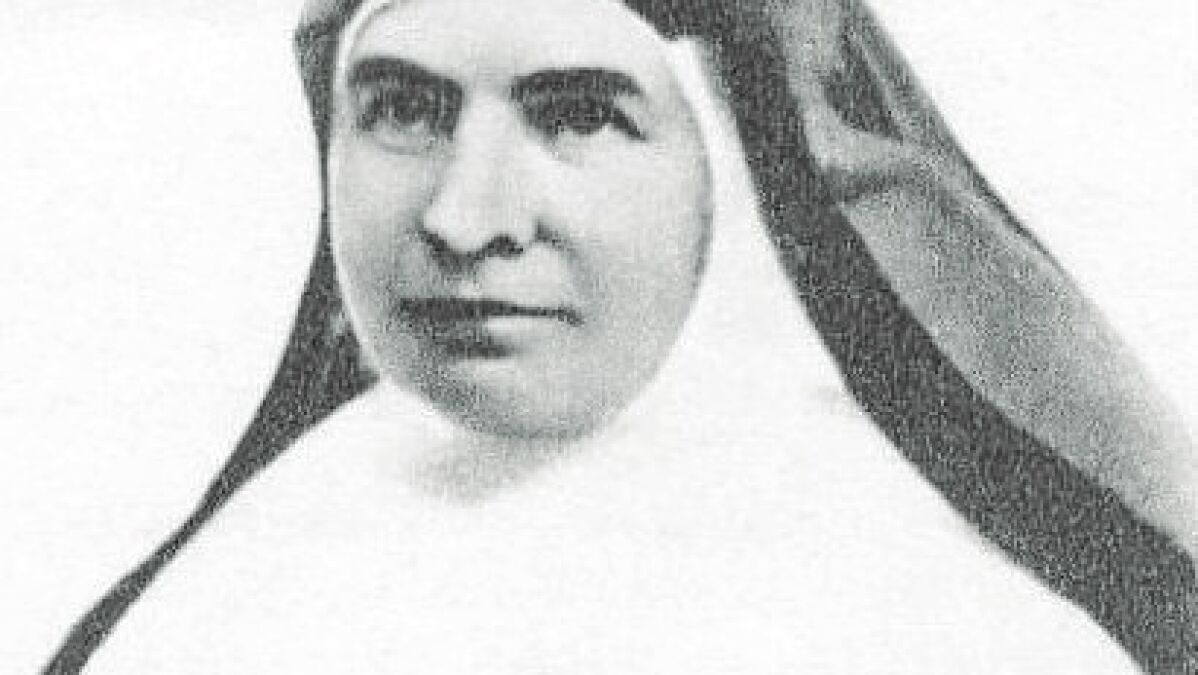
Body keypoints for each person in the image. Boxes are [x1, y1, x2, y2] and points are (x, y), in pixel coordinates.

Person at [45, 0, 1195, 672]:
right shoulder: (227, 582)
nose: (464, 218)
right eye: (400, 109)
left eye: (580, 115)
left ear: (739, 161)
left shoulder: (955, 621)